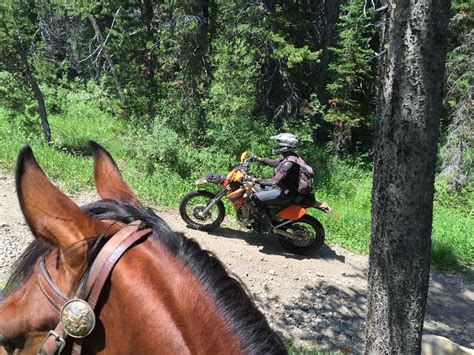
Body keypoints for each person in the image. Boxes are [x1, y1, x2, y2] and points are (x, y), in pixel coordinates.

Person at [246, 133, 309, 232]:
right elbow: (276, 163)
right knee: (257, 187)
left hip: (284, 193)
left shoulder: (289, 163)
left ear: (286, 146)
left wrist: (253, 179)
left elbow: (274, 181)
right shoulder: (291, 157)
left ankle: (266, 225)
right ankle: (266, 217)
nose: (277, 146)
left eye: (280, 144)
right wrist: (258, 159)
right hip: (283, 189)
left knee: (251, 200)